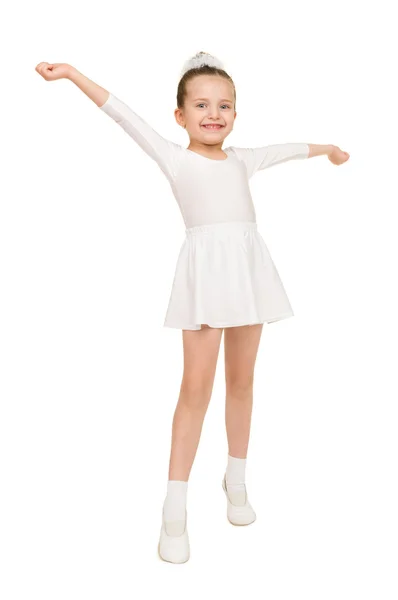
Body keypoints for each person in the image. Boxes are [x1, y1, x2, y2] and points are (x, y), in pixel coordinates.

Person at [35, 51, 350, 564]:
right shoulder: (174, 157)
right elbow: (120, 113)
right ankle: (174, 505)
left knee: (243, 381)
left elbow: (289, 149)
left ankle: (236, 478)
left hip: (250, 273)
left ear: (235, 113)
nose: (214, 113)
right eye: (201, 104)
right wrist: (71, 74)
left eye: (225, 105)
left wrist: (329, 149)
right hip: (206, 277)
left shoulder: (243, 158)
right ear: (180, 115)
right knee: (195, 387)